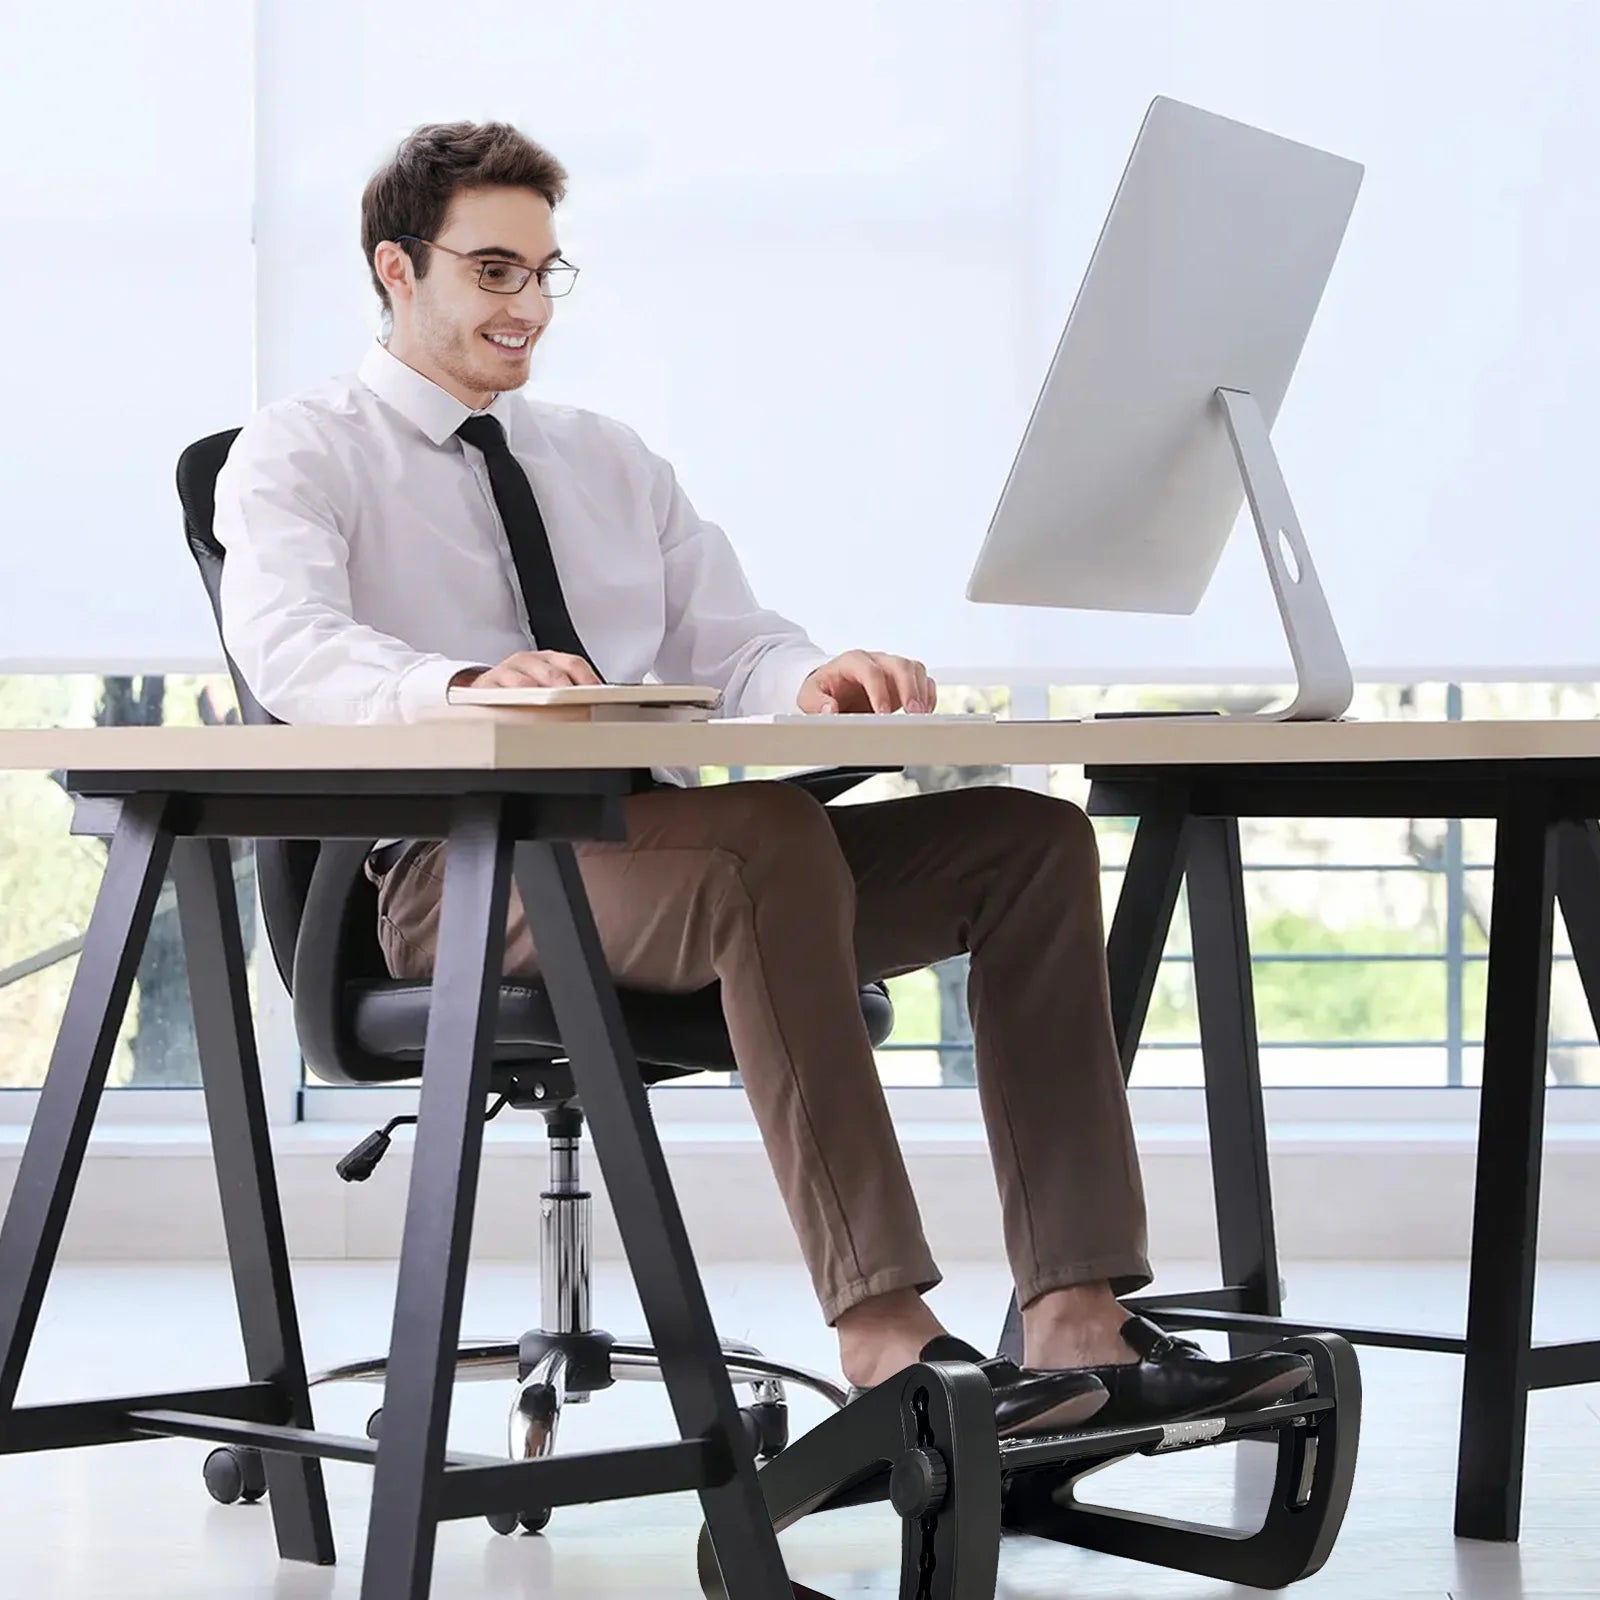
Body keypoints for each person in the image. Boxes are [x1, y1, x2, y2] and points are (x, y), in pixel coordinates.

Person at [214, 119, 1307, 1435]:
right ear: (396, 269)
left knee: (1027, 844)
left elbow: (731, 646)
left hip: (669, 854)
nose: (527, 306)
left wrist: (816, 680)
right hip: (460, 878)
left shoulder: (606, 460)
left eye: (546, 274)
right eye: (494, 271)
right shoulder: (301, 450)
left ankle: (1076, 1318)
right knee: (763, 843)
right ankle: (886, 1338)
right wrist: (460, 686)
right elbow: (291, 651)